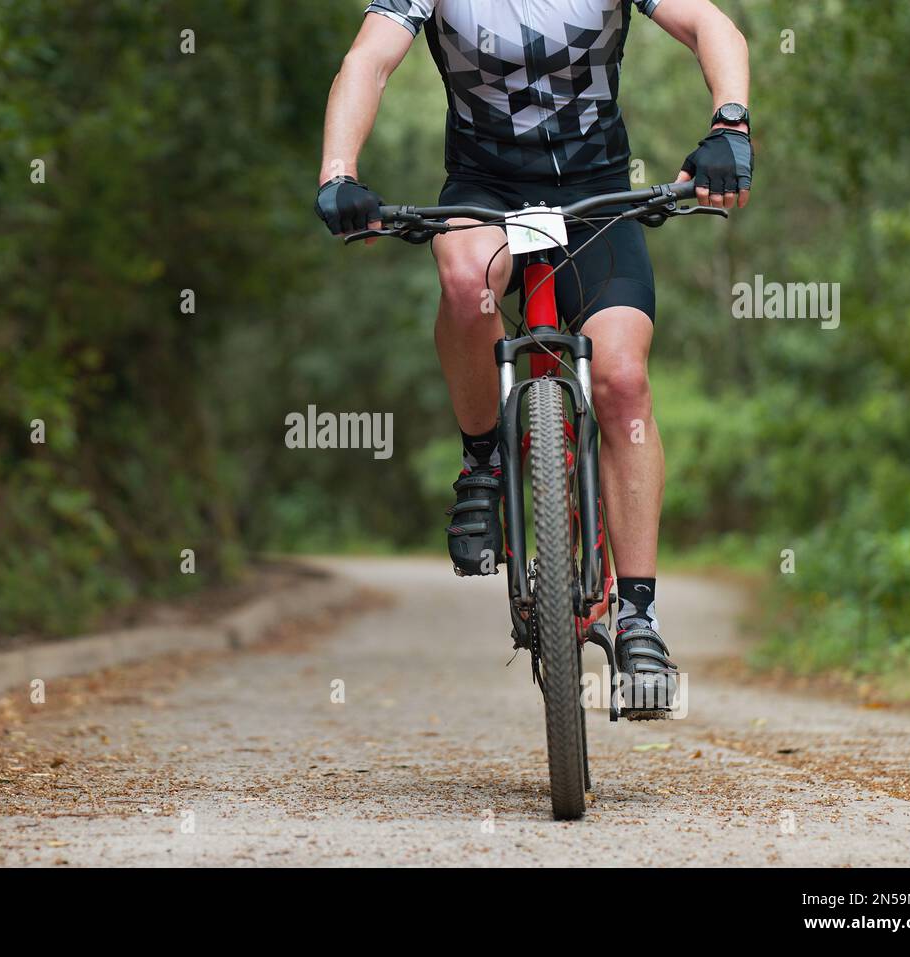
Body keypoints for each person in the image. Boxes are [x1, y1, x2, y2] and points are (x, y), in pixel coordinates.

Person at [314, 0, 753, 700]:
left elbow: (713, 26)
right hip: (484, 191)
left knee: (621, 380)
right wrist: (338, 171)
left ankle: (638, 616)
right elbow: (368, 60)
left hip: (598, 192)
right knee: (465, 282)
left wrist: (730, 126)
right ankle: (483, 462)